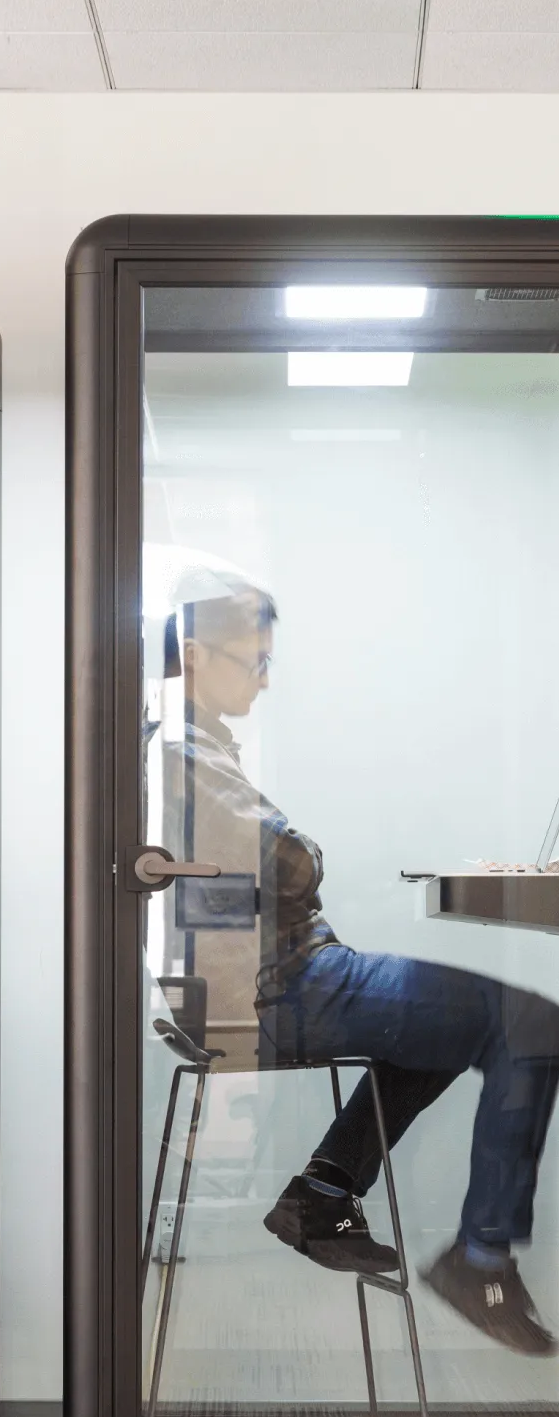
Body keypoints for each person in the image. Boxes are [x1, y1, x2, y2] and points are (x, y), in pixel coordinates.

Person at [165, 565, 559, 1357]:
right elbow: (291, 860)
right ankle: (480, 1261)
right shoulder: (182, 752)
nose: (268, 681)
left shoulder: (196, 747)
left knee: (458, 1025)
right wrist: (302, 844)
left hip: (277, 976)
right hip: (282, 986)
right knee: (530, 1022)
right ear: (201, 656)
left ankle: (321, 1194)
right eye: (257, 661)